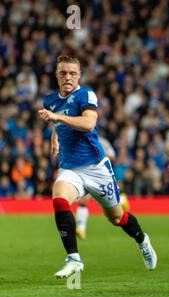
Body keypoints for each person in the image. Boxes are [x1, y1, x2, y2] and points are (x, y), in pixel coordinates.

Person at [38, 55, 157, 279]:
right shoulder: (50, 100)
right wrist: (54, 137)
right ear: (56, 74)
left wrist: (55, 117)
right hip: (70, 169)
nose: (68, 77)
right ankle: (74, 259)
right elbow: (59, 120)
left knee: (117, 218)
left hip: (96, 168)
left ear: (79, 75)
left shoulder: (86, 95)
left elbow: (88, 123)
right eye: (63, 73)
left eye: (72, 73)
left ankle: (142, 240)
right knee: (59, 200)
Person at [75, 136, 130, 240]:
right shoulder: (78, 139)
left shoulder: (102, 141)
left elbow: (112, 156)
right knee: (84, 201)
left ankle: (122, 199)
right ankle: (81, 228)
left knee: (110, 205)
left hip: (100, 175)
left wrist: (98, 155)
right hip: (86, 173)